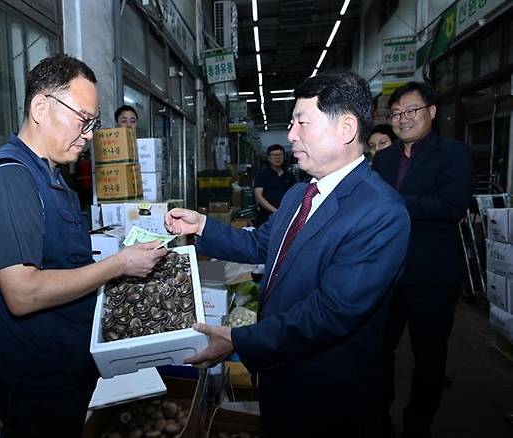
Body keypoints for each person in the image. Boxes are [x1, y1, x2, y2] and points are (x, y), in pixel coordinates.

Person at [165, 71, 411, 437]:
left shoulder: (381, 213)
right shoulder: (300, 194)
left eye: (301, 122)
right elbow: (262, 245)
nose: (291, 135)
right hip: (282, 371)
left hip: (329, 391)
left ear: (345, 129)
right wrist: (202, 226)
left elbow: (331, 313)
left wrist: (239, 339)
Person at [0, 54, 166, 437]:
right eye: (83, 119)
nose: (89, 133)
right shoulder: (8, 179)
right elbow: (22, 293)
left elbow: (62, 259)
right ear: (41, 107)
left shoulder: (54, 179)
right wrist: (119, 264)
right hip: (39, 387)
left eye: (93, 122)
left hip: (70, 368)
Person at [372, 82, 474, 438]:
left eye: (410, 111)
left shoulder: (454, 153)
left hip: (432, 274)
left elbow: (451, 205)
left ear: (431, 112)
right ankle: (379, 417)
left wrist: (392, 205)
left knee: (429, 357)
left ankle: (418, 425)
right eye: (396, 113)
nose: (402, 119)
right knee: (378, 351)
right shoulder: (383, 158)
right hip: (385, 275)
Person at [253, 144, 296, 227]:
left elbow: (295, 195)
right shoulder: (262, 174)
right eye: (274, 155)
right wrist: (276, 212)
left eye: (280, 155)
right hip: (266, 218)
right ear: (268, 158)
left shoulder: (289, 175)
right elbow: (258, 197)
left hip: (286, 216)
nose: (277, 157)